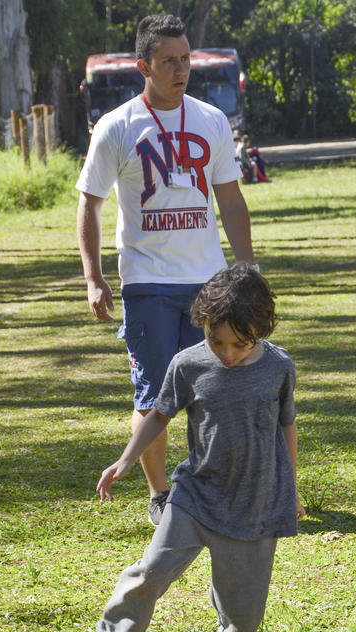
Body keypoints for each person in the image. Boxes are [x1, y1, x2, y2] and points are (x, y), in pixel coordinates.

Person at [82, 264, 305, 632]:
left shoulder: (279, 367)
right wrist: (126, 460)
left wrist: (290, 488)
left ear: (261, 328)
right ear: (202, 323)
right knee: (150, 572)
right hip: (196, 495)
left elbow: (286, 427)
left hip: (256, 502)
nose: (227, 353)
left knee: (244, 604)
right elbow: (159, 413)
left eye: (239, 344)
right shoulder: (188, 364)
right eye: (216, 341)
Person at [76, 14, 255, 527]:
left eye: (186, 59)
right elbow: (89, 204)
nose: (182, 70)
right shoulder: (117, 126)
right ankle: (161, 496)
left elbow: (231, 199)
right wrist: (94, 277)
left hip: (208, 281)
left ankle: (213, 483)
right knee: (155, 393)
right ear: (144, 67)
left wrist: (246, 269)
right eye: (169, 61)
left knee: (217, 389)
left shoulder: (211, 120)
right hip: (148, 284)